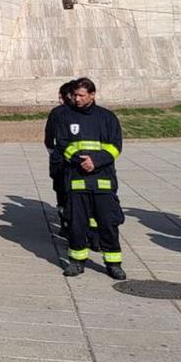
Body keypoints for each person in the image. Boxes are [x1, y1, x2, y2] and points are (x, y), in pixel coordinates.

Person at [52, 77, 125, 279]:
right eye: (75, 95)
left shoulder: (107, 118)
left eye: (81, 95)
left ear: (92, 95)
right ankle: (76, 261)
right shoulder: (66, 117)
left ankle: (113, 263)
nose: (77, 99)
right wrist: (78, 160)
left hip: (102, 179)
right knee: (76, 223)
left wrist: (96, 161)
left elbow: (115, 146)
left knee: (108, 223)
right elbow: (62, 145)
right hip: (76, 179)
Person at [44, 81, 77, 238]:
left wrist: (53, 153)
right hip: (81, 162)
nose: (59, 99)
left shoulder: (57, 113)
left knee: (62, 193)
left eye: (60, 96)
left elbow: (49, 137)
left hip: (60, 160)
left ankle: (65, 224)